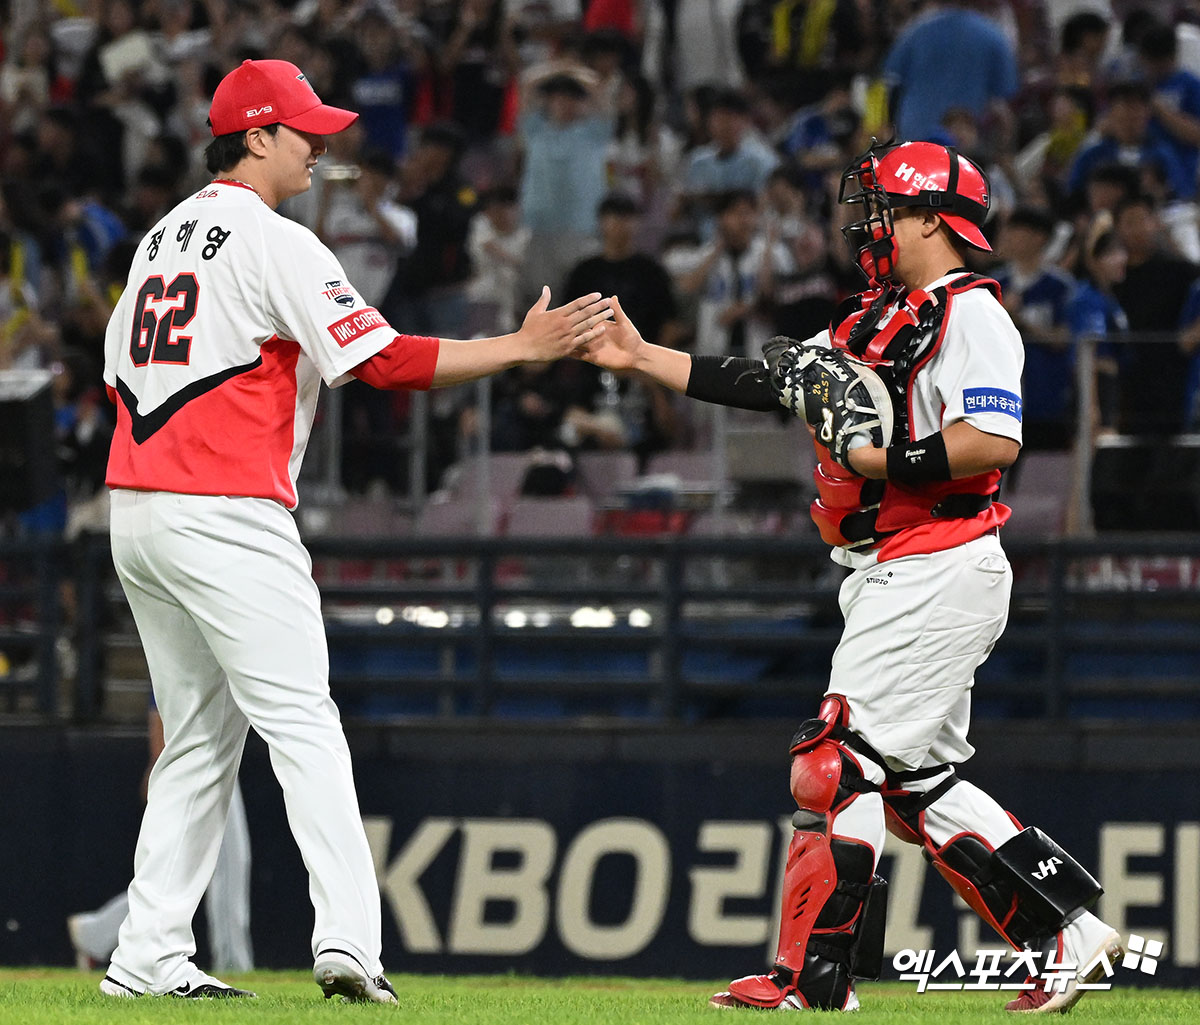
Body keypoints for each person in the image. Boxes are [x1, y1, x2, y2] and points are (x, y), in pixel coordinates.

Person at [98, 58, 611, 1002]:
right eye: (302, 130)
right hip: (225, 506)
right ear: (254, 136)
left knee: (200, 737)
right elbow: (381, 361)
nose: (320, 145)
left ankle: (146, 955)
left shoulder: (160, 237)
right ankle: (348, 944)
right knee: (303, 722)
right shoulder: (275, 238)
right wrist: (521, 347)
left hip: (137, 504)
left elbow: (118, 375)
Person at [579, 139, 1123, 1013]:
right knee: (914, 785)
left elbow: (993, 441)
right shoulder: (878, 313)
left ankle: (811, 980)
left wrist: (877, 455)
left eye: (884, 209)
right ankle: (1066, 932)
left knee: (835, 761)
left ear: (930, 218)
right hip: (894, 568)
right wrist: (648, 360)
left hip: (937, 559)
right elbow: (778, 381)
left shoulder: (972, 316)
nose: (867, 224)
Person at [68, 704, 254, 975]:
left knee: (185, 868)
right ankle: (233, 964)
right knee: (222, 864)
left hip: (207, 751)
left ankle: (97, 931)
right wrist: (157, 758)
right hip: (197, 753)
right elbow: (158, 695)